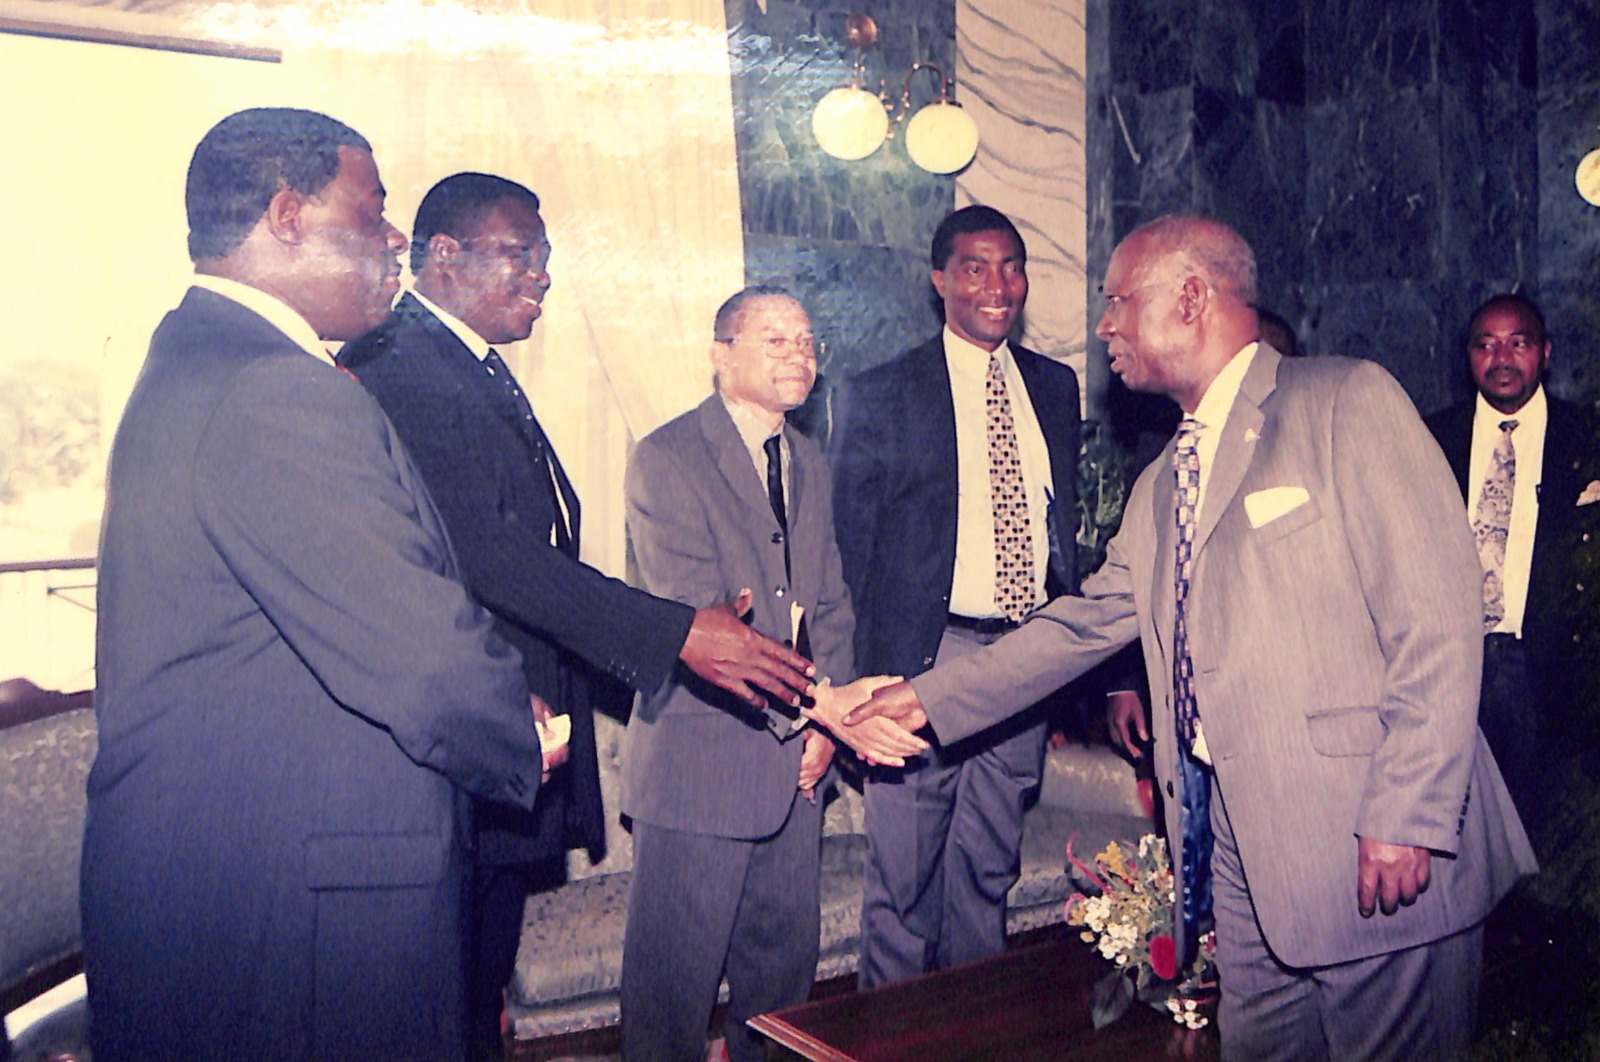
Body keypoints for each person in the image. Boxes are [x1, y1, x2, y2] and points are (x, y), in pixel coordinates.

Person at [841, 214, 1536, 1059]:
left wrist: (1409, 811)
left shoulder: (1343, 400)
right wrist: (917, 699)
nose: (1103, 328)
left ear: (1191, 298)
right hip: (1242, 861)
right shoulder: (1166, 476)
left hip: (1374, 845)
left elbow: (1439, 615)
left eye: (1118, 304)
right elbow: (1077, 626)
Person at [82, 108, 557, 1061]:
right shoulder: (275, 390)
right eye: (374, 210)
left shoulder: (202, 354)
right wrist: (520, 725)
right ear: (289, 216)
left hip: (237, 884)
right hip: (294, 909)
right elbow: (422, 658)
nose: (393, 239)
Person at [338, 172, 815, 1058]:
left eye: (546, 256)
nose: (544, 276)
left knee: (477, 987)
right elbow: (488, 551)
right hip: (464, 737)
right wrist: (674, 632)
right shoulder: (402, 366)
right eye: (524, 254)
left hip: (506, 731)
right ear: (444, 256)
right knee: (454, 998)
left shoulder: (464, 365)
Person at [827, 204, 1081, 985]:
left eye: (1011, 266)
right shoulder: (881, 392)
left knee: (987, 871)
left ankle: (975, 1032)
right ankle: (888, 1040)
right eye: (975, 267)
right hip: (921, 662)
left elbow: (1058, 525)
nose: (997, 286)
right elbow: (849, 552)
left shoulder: (1055, 386)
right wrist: (854, 688)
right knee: (903, 888)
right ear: (939, 281)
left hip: (1024, 659)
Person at [618, 288, 850, 1062]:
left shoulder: (810, 461)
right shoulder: (667, 457)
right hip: (701, 764)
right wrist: (806, 711)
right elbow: (699, 619)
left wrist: (831, 723)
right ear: (722, 358)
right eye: (776, 341)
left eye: (808, 341)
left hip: (798, 768)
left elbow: (832, 606)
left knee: (783, 994)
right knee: (668, 1002)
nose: (800, 356)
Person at [1424, 294, 1600, 829]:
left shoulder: (1588, 437)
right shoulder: (1429, 438)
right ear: (1468, 357)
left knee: (1546, 845)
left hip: (1554, 673)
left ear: (1544, 352)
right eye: (1486, 344)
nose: (1502, 357)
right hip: (1452, 669)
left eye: (1517, 342)